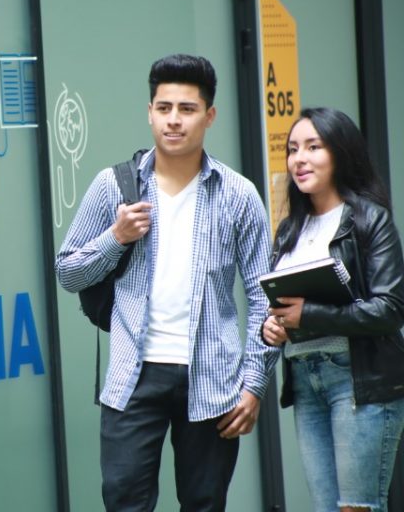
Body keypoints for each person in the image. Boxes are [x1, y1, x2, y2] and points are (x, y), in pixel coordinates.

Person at [55, 53, 279, 512]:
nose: (173, 120)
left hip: (212, 378)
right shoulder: (113, 186)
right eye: (164, 108)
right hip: (132, 376)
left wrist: (254, 384)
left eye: (187, 109)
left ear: (209, 116)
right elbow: (67, 273)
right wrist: (116, 238)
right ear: (150, 112)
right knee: (124, 501)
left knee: (204, 502)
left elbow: (265, 298)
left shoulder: (237, 194)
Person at [262, 107, 404, 512]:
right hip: (305, 381)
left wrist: (309, 315)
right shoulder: (290, 230)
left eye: (313, 147)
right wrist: (271, 328)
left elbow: (390, 309)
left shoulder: (369, 220)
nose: (299, 159)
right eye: (293, 149)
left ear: (340, 152)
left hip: (359, 379)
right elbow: (279, 306)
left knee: (357, 508)